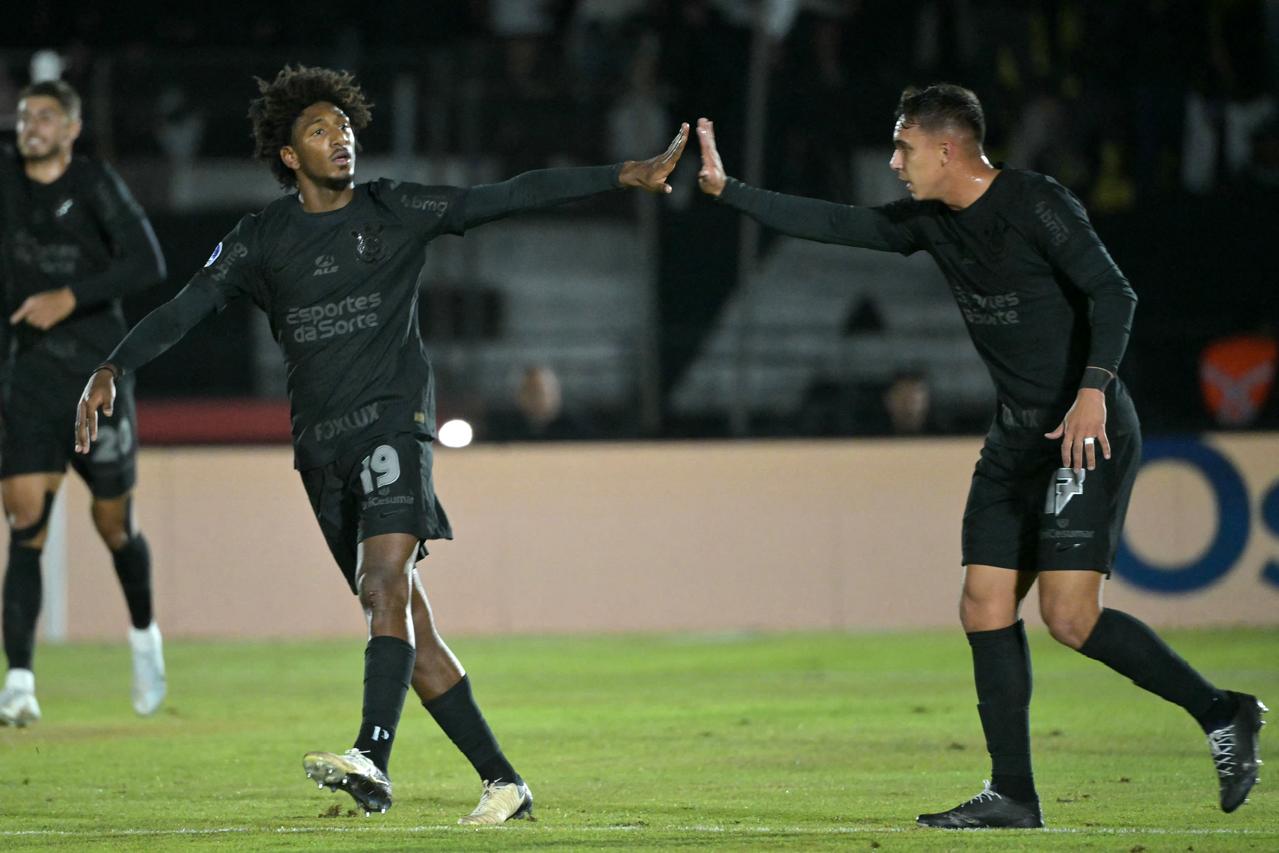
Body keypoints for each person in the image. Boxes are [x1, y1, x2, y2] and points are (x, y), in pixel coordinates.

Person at [75, 65, 687, 823]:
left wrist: (619, 174)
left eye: (346, 128)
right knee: (405, 624)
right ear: (289, 156)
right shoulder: (260, 238)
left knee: (386, 576)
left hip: (394, 424)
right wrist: (113, 364)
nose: (341, 140)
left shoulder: (394, 208)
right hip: (321, 453)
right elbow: (185, 307)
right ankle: (505, 782)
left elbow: (503, 196)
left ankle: (371, 754)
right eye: (320, 131)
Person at [695, 84, 1266, 828]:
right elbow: (841, 223)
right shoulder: (933, 222)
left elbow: (1113, 295)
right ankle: (1012, 794)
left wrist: (1093, 390)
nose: (893, 162)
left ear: (945, 148)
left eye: (902, 147)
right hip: (1014, 436)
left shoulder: (1034, 203)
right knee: (982, 603)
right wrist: (727, 191)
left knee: (1068, 617)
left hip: (1081, 428)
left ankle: (1221, 710)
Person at [0, 80, 168, 726]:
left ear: (70, 129)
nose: (31, 125)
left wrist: (69, 298)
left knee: (112, 524)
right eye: (24, 116)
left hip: (97, 374)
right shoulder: (8, 186)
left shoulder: (95, 184)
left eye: (45, 116)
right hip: (31, 377)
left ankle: (144, 636)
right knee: (25, 524)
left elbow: (148, 262)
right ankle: (19, 681)